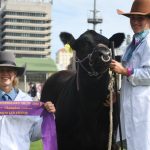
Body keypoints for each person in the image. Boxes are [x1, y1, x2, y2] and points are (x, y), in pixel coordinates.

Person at [110, 0, 150, 149]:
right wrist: (118, 94)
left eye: (140, 18)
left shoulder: (148, 42)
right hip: (132, 107)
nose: (135, 22)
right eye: (132, 18)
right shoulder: (132, 45)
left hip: (145, 108)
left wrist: (125, 71)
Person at [0, 51, 56, 150]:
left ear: (15, 74)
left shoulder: (28, 102)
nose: (5, 74)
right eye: (1, 70)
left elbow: (34, 134)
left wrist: (48, 114)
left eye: (9, 70)